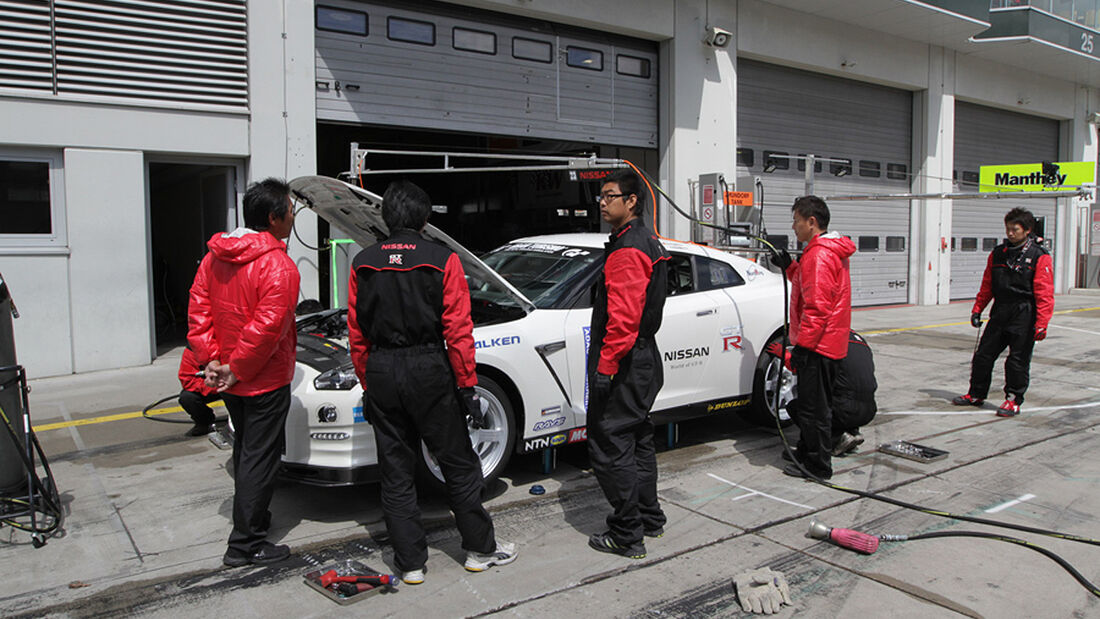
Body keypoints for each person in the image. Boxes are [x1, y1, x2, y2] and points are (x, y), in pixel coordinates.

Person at [346, 180, 516, 586]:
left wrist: (368, 382)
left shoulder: (362, 262)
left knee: (396, 470)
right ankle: (479, 550)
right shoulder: (443, 259)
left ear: (386, 216)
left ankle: (411, 564)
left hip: (382, 370)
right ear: (424, 218)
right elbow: (458, 329)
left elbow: (356, 333)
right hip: (429, 368)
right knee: (457, 462)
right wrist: (467, 385)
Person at [187, 177, 300, 567]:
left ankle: (255, 518)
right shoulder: (278, 266)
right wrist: (235, 368)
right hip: (261, 379)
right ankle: (246, 544)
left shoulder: (215, 257)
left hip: (229, 377)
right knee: (259, 457)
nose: (293, 216)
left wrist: (212, 363)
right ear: (274, 218)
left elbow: (198, 310)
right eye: (290, 210)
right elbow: (268, 328)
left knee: (246, 449)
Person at [586, 169, 670, 560]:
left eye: (609, 196)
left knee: (610, 444)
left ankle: (626, 534)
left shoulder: (627, 249)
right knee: (637, 439)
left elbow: (622, 320)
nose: (602, 203)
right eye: (600, 197)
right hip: (642, 358)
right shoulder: (645, 240)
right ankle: (649, 518)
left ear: (631, 201)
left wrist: (605, 368)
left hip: (625, 360)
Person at [772, 196, 855, 480]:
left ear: (812, 221)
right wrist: (790, 267)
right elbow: (813, 289)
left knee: (814, 409)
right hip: (828, 342)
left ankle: (818, 465)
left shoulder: (819, 254)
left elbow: (817, 307)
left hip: (819, 345)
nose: (793, 226)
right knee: (812, 406)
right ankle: (808, 452)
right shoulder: (824, 251)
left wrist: (804, 348)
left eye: (796, 220)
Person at [953, 208, 1053, 417]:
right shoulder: (998, 254)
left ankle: (1013, 400)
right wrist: (978, 308)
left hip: (1024, 313)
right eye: (1007, 229)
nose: (1010, 233)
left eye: (1014, 229)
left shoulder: (1039, 256)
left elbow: (1044, 292)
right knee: (983, 356)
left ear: (1027, 230)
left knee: (1017, 360)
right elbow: (988, 283)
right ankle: (976, 394)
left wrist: (1042, 323)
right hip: (1000, 311)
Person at [177, 346, 220, 437]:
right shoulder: (191, 352)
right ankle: (204, 422)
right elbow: (188, 380)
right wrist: (213, 386)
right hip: (214, 387)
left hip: (232, 386)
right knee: (187, 397)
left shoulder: (225, 344)